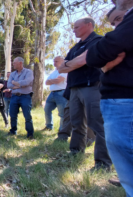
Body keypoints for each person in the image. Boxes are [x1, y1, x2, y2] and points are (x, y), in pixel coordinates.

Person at [86, 0, 133, 194]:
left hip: (125, 101)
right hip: (117, 100)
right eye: (113, 24)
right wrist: (105, 64)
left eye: (120, 20)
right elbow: (99, 59)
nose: (116, 27)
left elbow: (96, 54)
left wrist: (102, 61)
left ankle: (102, 162)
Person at [57, 17, 112, 171]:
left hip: (92, 87)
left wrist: (72, 64)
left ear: (89, 25)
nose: (73, 30)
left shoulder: (98, 41)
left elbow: (83, 61)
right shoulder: (75, 47)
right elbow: (61, 68)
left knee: (97, 124)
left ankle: (103, 163)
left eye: (76, 27)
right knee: (76, 123)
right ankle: (75, 151)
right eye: (73, 28)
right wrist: (73, 63)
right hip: (74, 89)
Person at [7, 57, 34, 139]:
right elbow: (9, 85)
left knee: (27, 115)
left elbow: (27, 82)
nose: (13, 64)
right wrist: (20, 85)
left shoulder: (28, 72)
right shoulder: (12, 74)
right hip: (14, 96)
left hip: (25, 96)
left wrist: (15, 83)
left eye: (14, 63)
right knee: (12, 115)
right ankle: (13, 131)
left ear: (20, 63)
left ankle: (30, 134)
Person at [42, 56, 67, 131]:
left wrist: (51, 81)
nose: (54, 63)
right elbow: (46, 82)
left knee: (62, 113)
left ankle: (62, 130)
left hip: (61, 93)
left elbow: (59, 80)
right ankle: (49, 126)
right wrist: (54, 80)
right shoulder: (54, 72)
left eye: (56, 61)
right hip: (52, 93)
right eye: (54, 61)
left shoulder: (65, 70)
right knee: (47, 109)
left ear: (62, 61)